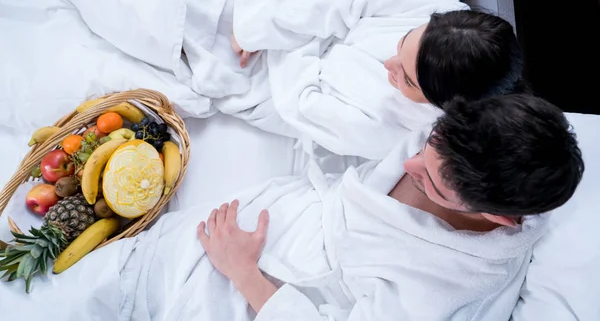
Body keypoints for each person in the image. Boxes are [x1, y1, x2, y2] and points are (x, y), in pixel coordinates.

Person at [2, 94, 580, 320]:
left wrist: (246, 274)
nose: (409, 166)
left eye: (433, 184)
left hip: (251, 286)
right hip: (238, 228)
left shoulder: (450, 281)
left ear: (500, 218)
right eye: (430, 146)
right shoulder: (468, 139)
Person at [232, 0, 525, 109]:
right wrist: (260, 26)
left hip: (286, 80)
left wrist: (286, 43)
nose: (388, 63)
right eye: (403, 41)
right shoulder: (449, 19)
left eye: (408, 80)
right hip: (304, 39)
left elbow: (301, 105)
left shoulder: (406, 124)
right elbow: (346, 3)